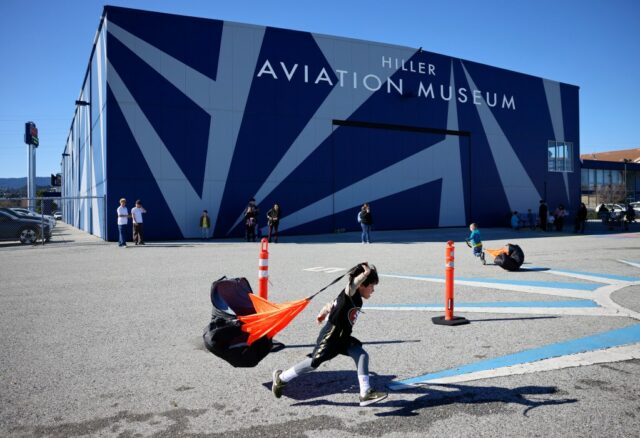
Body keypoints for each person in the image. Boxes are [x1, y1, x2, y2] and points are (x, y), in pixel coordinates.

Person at [271, 262, 388, 407]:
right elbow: (351, 286)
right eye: (371, 286)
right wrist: (364, 274)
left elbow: (333, 303)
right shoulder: (350, 292)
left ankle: (365, 393)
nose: (373, 290)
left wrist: (323, 312)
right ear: (362, 285)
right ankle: (281, 378)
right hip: (330, 337)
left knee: (362, 355)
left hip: (343, 337)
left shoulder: (353, 298)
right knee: (313, 364)